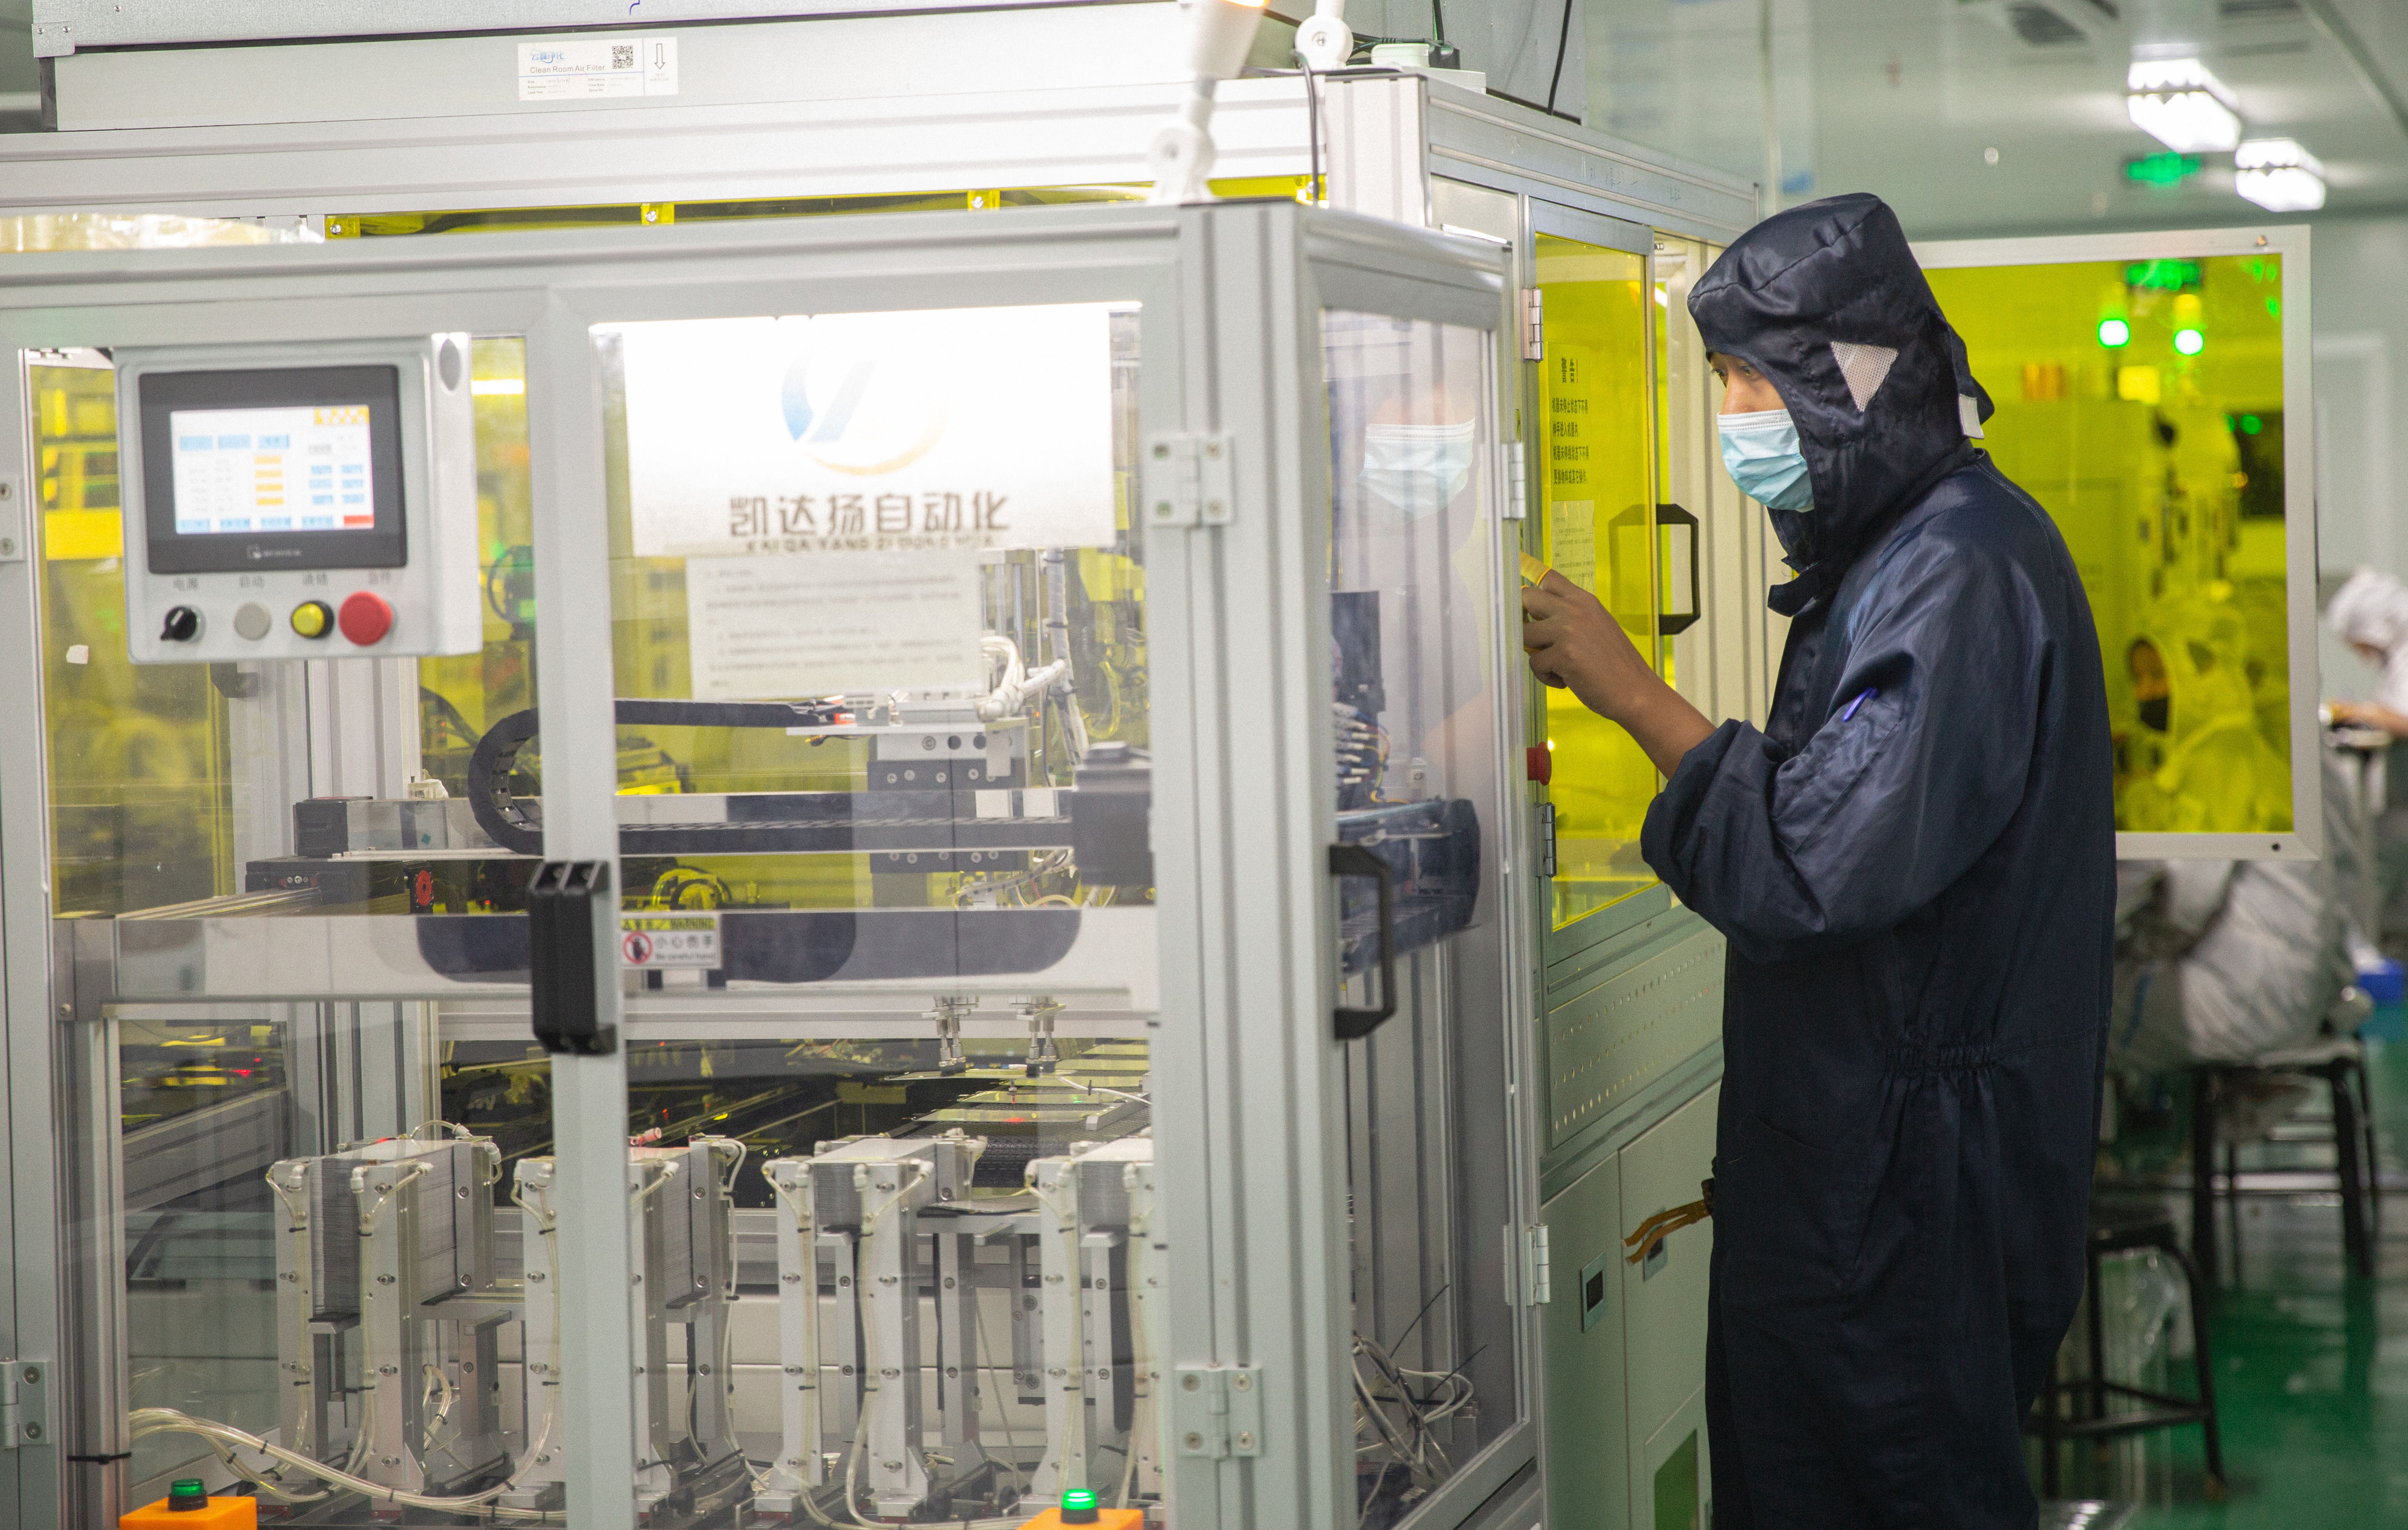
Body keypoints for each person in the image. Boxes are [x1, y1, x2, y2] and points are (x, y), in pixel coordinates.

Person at [1520, 193, 2115, 1529]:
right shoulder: (1907, 552)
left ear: (1847, 383)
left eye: (1748, 378)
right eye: (1722, 377)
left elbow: (1807, 864)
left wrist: (1632, 691)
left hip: (1901, 1203)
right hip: (1869, 1168)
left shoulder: (1956, 569)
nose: (1732, 411)